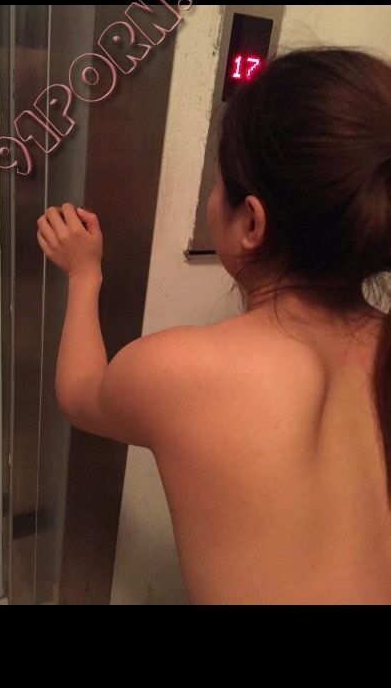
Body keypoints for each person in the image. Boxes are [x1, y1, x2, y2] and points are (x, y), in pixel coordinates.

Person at [37, 47, 391, 605]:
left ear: (251, 222)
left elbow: (81, 396)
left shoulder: (185, 368)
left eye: (219, 181)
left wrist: (84, 274)